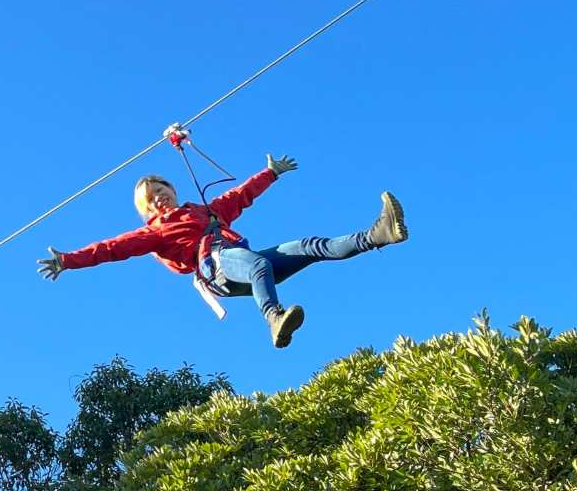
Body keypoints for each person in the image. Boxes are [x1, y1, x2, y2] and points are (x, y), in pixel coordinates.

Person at [36, 135, 407, 348]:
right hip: (216, 270)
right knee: (259, 264)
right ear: (147, 211)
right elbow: (111, 248)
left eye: (161, 190)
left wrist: (270, 173)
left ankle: (379, 234)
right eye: (150, 200)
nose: (158, 199)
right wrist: (68, 260)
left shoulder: (208, 211)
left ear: (172, 189)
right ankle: (274, 319)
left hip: (239, 259)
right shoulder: (155, 232)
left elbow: (240, 195)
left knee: (309, 247)